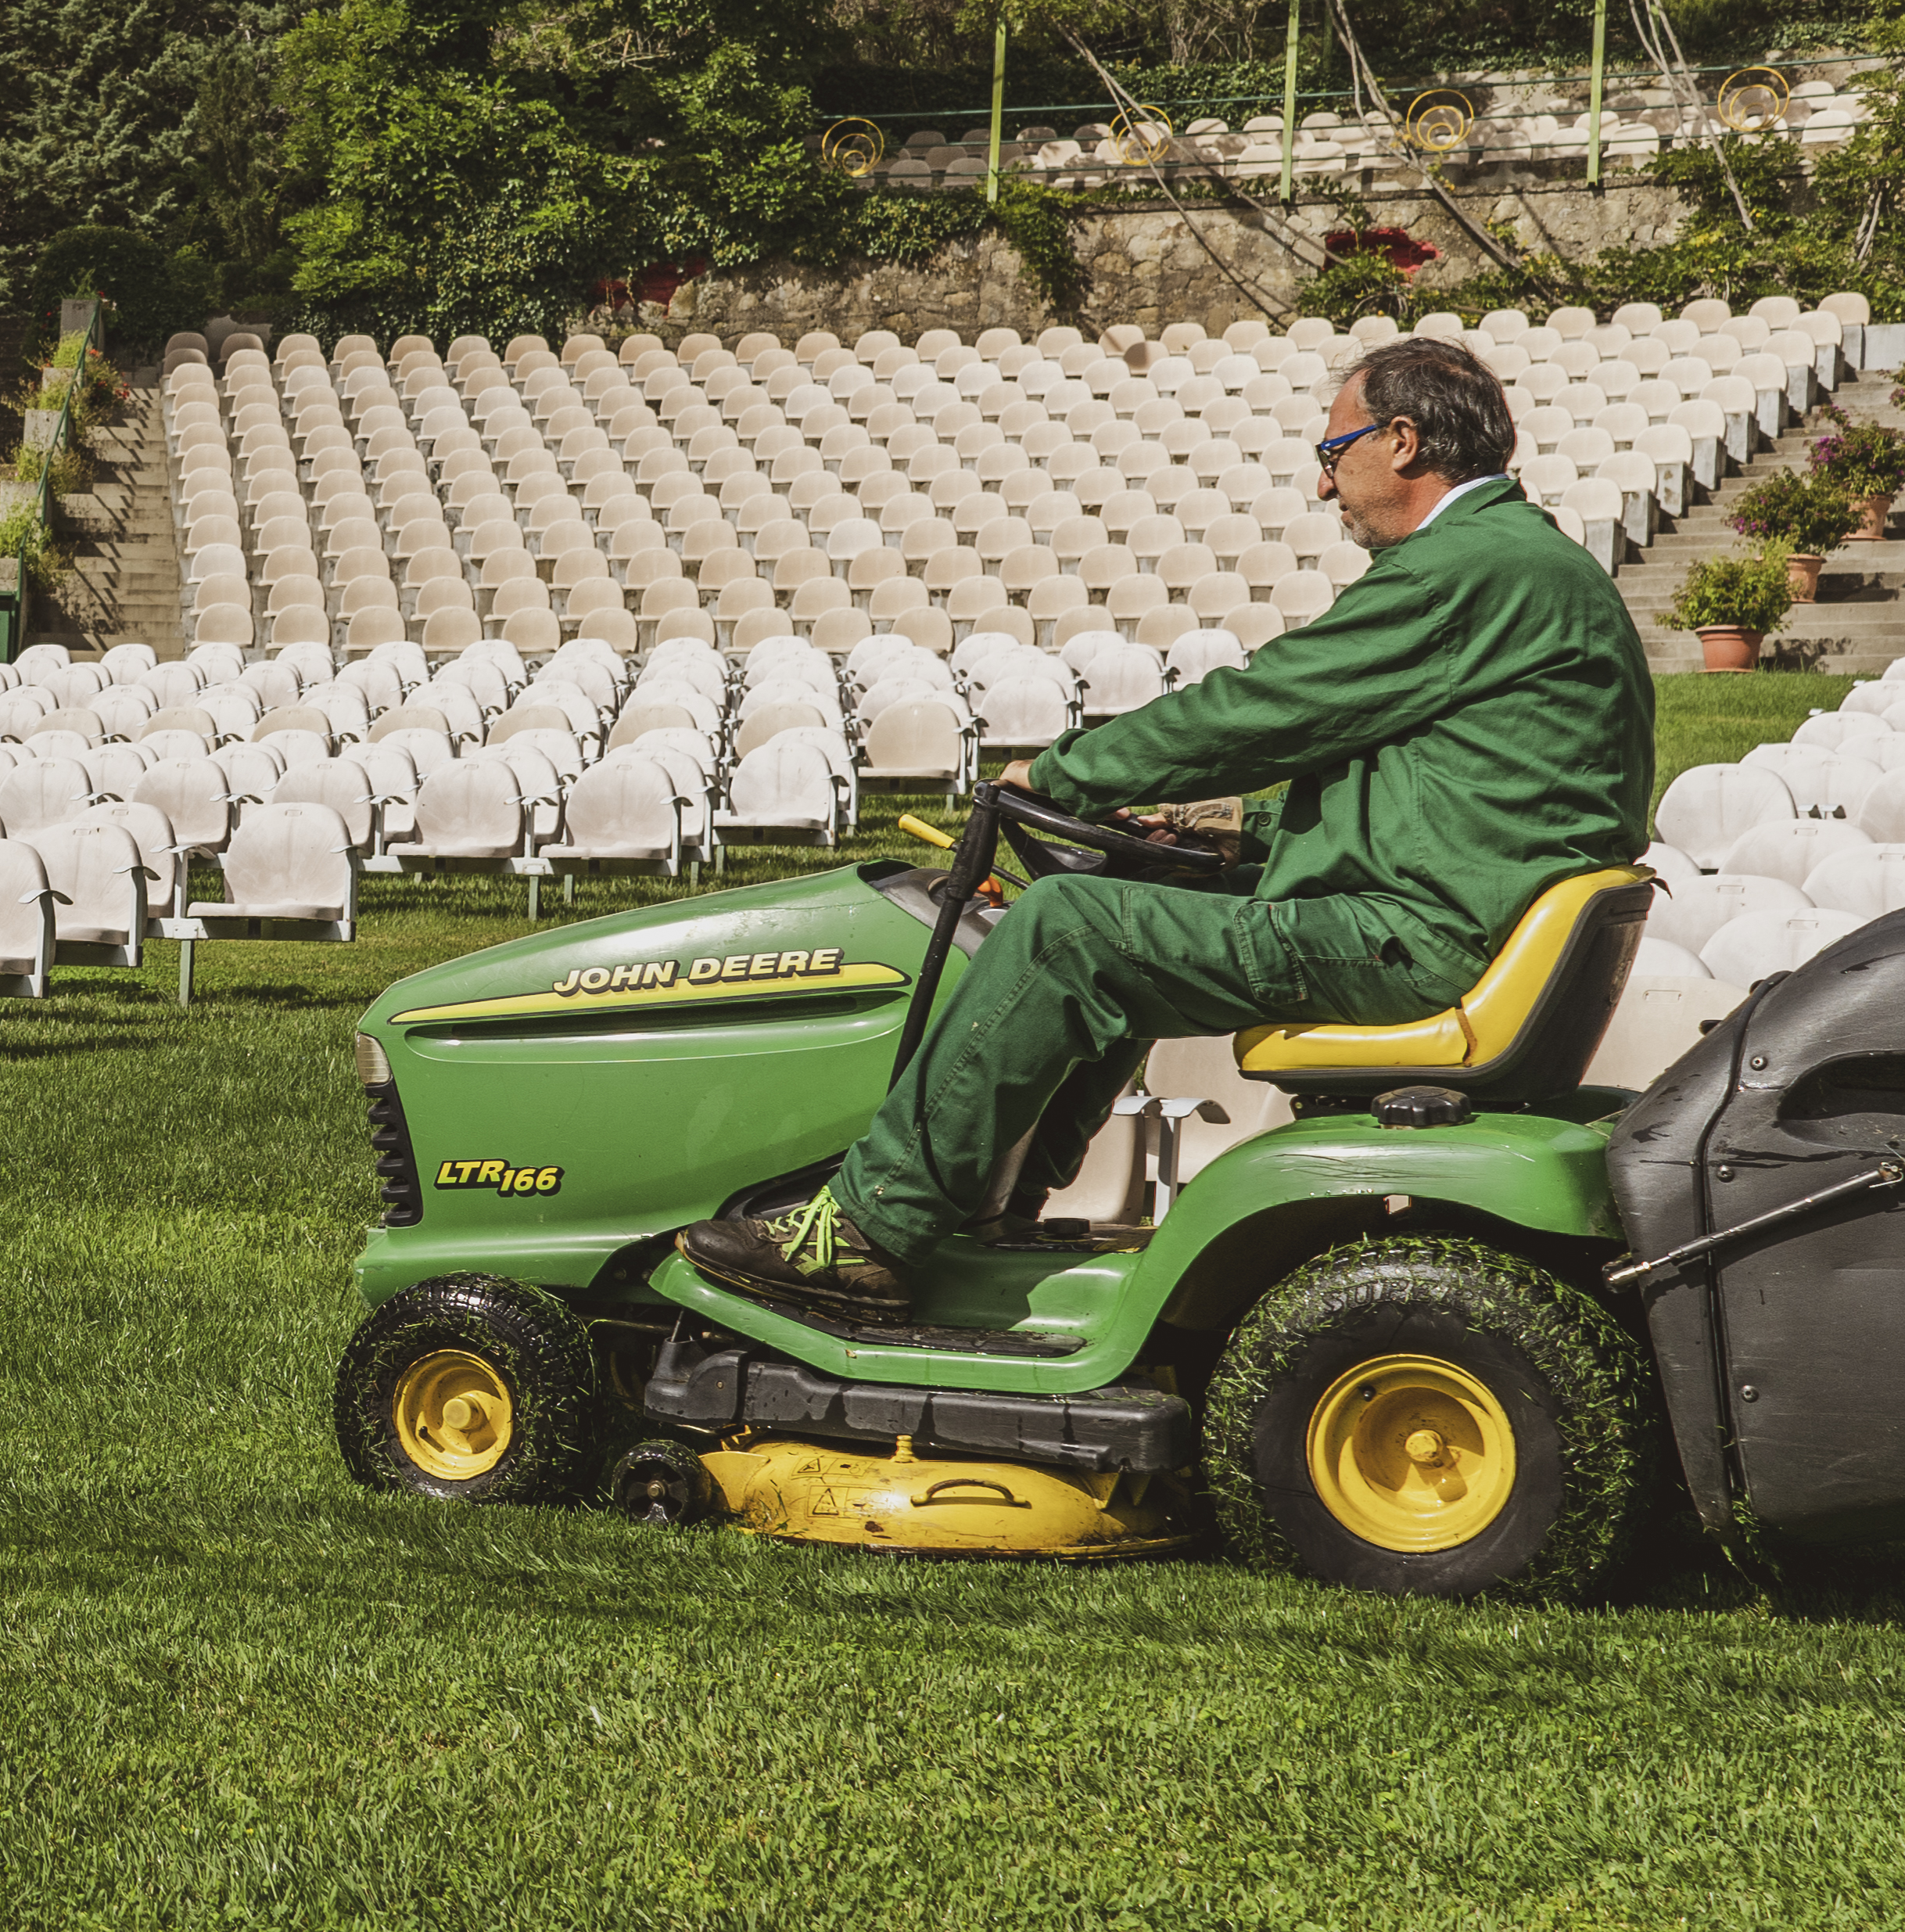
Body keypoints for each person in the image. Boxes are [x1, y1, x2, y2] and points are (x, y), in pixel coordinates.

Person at [680, 333, 1656, 1315]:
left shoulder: (1462, 568)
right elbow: (1454, 801)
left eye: (1333, 455)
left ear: (1399, 441)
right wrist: (1230, 834)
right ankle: (997, 1207)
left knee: (1067, 926)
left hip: (1421, 938)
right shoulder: (1527, 564)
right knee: (1130, 905)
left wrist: (1067, 773)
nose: (1326, 490)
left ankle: (866, 1227)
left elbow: (1264, 706)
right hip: (1455, 911)